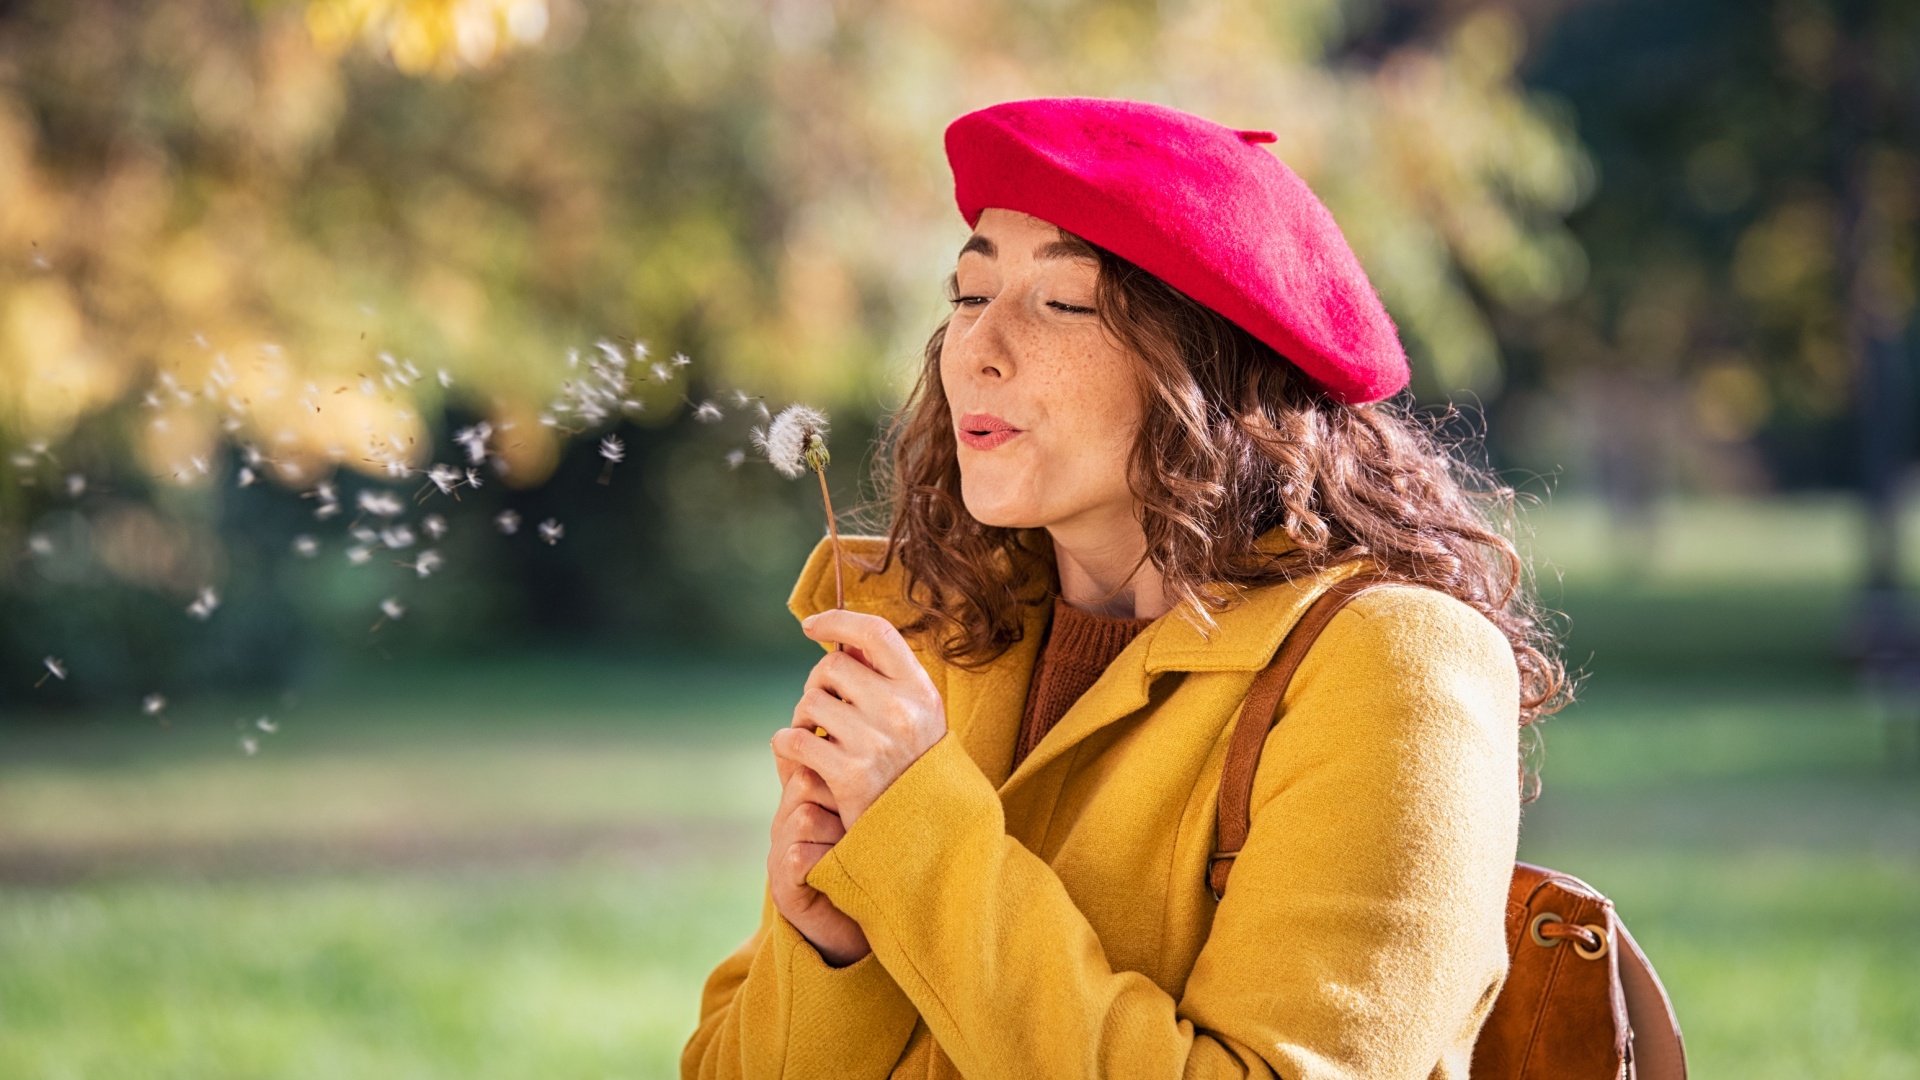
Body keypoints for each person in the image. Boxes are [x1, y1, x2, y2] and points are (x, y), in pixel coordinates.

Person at [682, 96, 1566, 1080]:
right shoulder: (939, 636)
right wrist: (831, 950)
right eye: (969, 295)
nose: (977, 348)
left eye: (1060, 304)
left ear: (1209, 362)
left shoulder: (1389, 667)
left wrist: (917, 842)